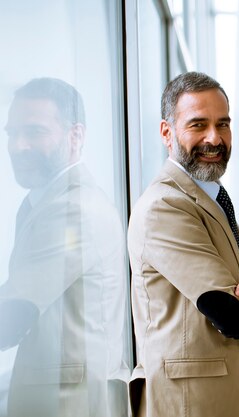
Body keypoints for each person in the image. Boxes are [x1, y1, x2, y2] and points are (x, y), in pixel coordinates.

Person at [127, 71, 239, 417]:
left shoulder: (211, 199)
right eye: (198, 125)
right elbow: (233, 315)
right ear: (166, 133)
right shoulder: (165, 206)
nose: (214, 138)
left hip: (222, 397)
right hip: (187, 404)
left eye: (223, 124)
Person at [0, 78, 130, 416]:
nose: (17, 145)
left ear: (76, 136)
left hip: (70, 406)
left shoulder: (74, 208)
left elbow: (14, 312)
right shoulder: (45, 202)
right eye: (11, 133)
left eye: (34, 132)